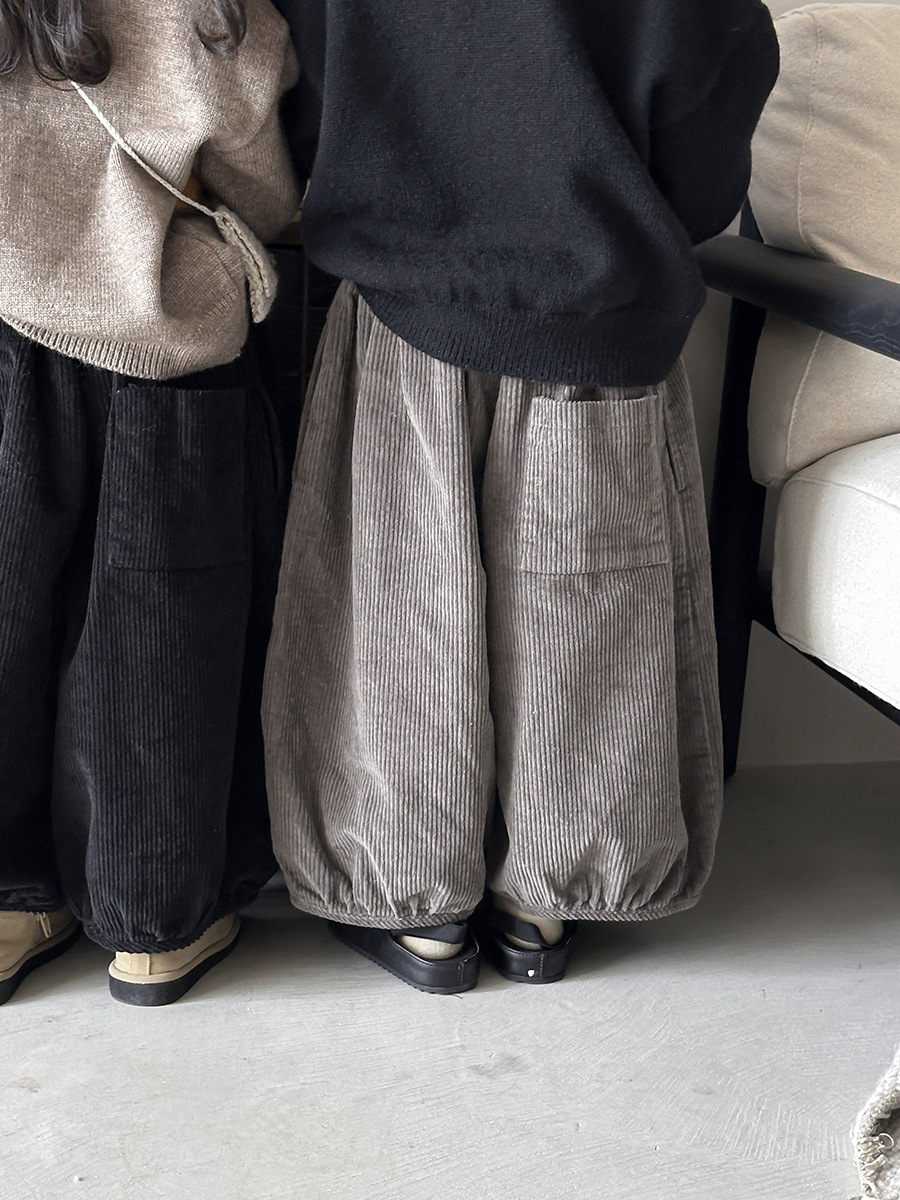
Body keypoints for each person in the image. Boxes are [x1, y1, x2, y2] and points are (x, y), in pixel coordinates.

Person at [263, 0, 780, 993]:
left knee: (398, 607)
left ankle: (417, 907)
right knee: (587, 610)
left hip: (406, 305)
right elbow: (715, 106)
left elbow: (303, 96)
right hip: (600, 306)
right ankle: (546, 901)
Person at [0, 0, 298, 1006]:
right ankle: (154, 923)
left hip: (6, 335)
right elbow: (265, 189)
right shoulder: (208, 11)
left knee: (7, 621)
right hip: (163, 349)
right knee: (157, 637)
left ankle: (11, 907)